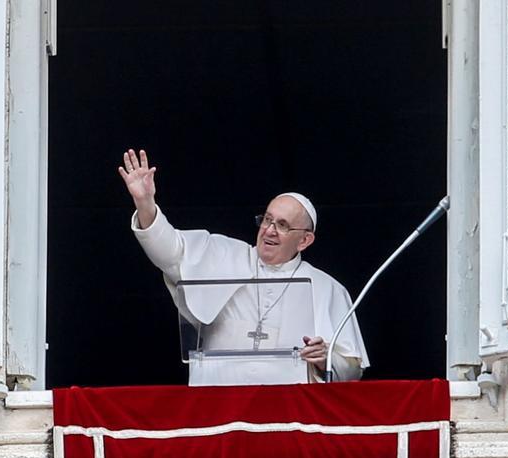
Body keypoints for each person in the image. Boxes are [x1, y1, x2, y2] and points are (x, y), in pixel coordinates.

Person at [118, 148, 368, 383]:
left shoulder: (327, 288)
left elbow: (352, 368)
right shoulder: (223, 254)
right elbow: (170, 252)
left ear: (304, 240)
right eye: (267, 220)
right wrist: (145, 204)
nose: (269, 230)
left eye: (282, 225)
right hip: (220, 407)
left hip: (288, 414)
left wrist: (326, 358)